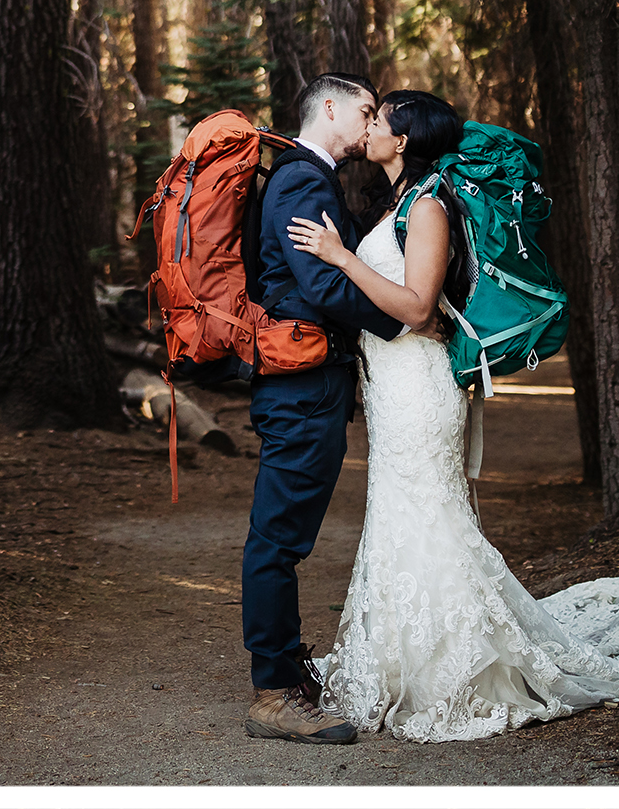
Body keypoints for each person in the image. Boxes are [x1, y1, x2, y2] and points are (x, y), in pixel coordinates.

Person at [285, 89, 619, 743]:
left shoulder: (428, 207)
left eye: (382, 118)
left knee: (428, 513)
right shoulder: (393, 202)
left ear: (406, 139)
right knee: (398, 514)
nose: (371, 127)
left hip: (419, 388)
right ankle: (402, 658)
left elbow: (418, 308)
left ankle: (453, 669)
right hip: (391, 388)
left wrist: (339, 259)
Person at [239, 71, 396, 746]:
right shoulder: (302, 180)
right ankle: (274, 693)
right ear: (328, 107)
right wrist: (406, 321)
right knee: (278, 538)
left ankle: (286, 672)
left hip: (301, 377)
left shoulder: (303, 176)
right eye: (365, 112)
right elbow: (323, 284)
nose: (370, 124)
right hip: (301, 382)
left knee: (283, 534)